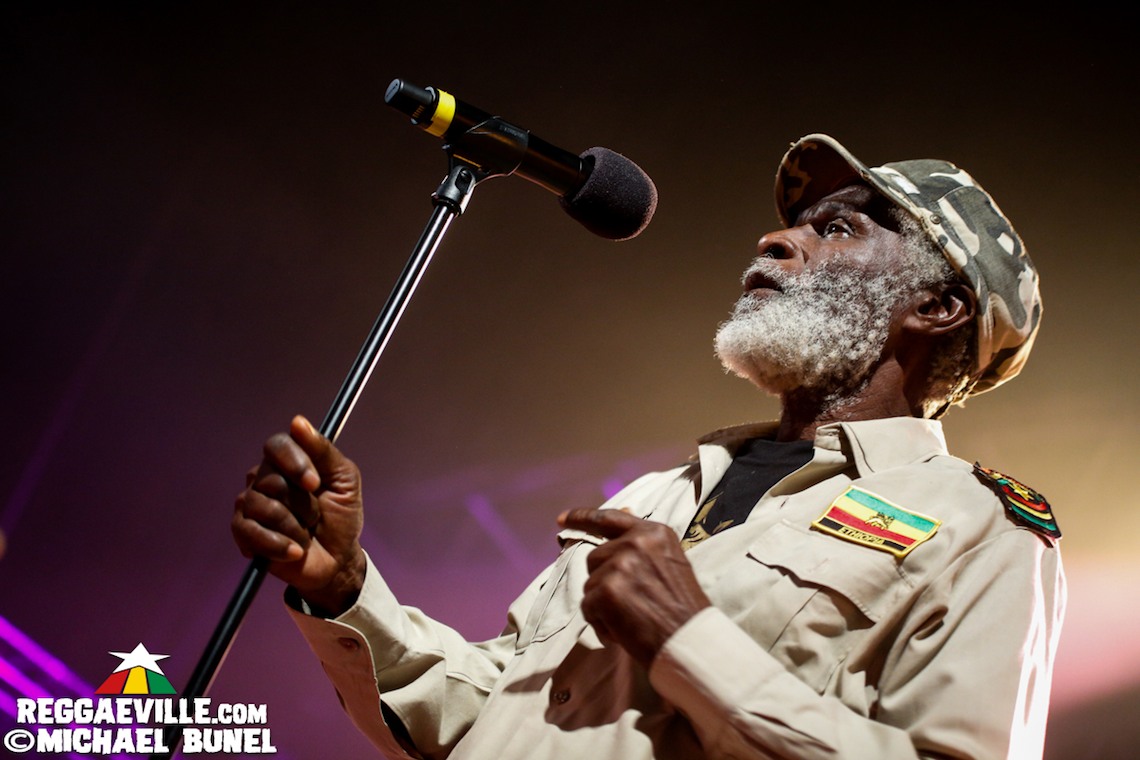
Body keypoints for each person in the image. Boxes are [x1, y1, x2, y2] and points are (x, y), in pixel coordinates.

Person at [232, 133, 1065, 759]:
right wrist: (345, 589)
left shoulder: (980, 532)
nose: (776, 242)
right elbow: (492, 713)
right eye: (792, 229)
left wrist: (688, 638)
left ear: (940, 308)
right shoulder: (652, 497)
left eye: (839, 229)